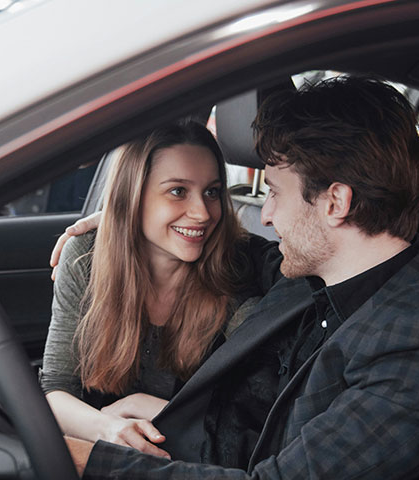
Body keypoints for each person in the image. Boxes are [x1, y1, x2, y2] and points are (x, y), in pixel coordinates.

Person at [59, 76, 419, 479]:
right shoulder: (335, 279)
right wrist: (132, 215)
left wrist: (81, 460)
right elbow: (270, 442)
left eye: (274, 192)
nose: (267, 216)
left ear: (336, 202)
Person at [41, 121, 272, 459]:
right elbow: (55, 391)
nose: (202, 213)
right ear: (133, 195)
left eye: (212, 192)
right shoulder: (87, 256)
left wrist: (153, 409)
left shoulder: (235, 267)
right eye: (178, 191)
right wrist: (109, 428)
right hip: (99, 445)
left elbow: (253, 418)